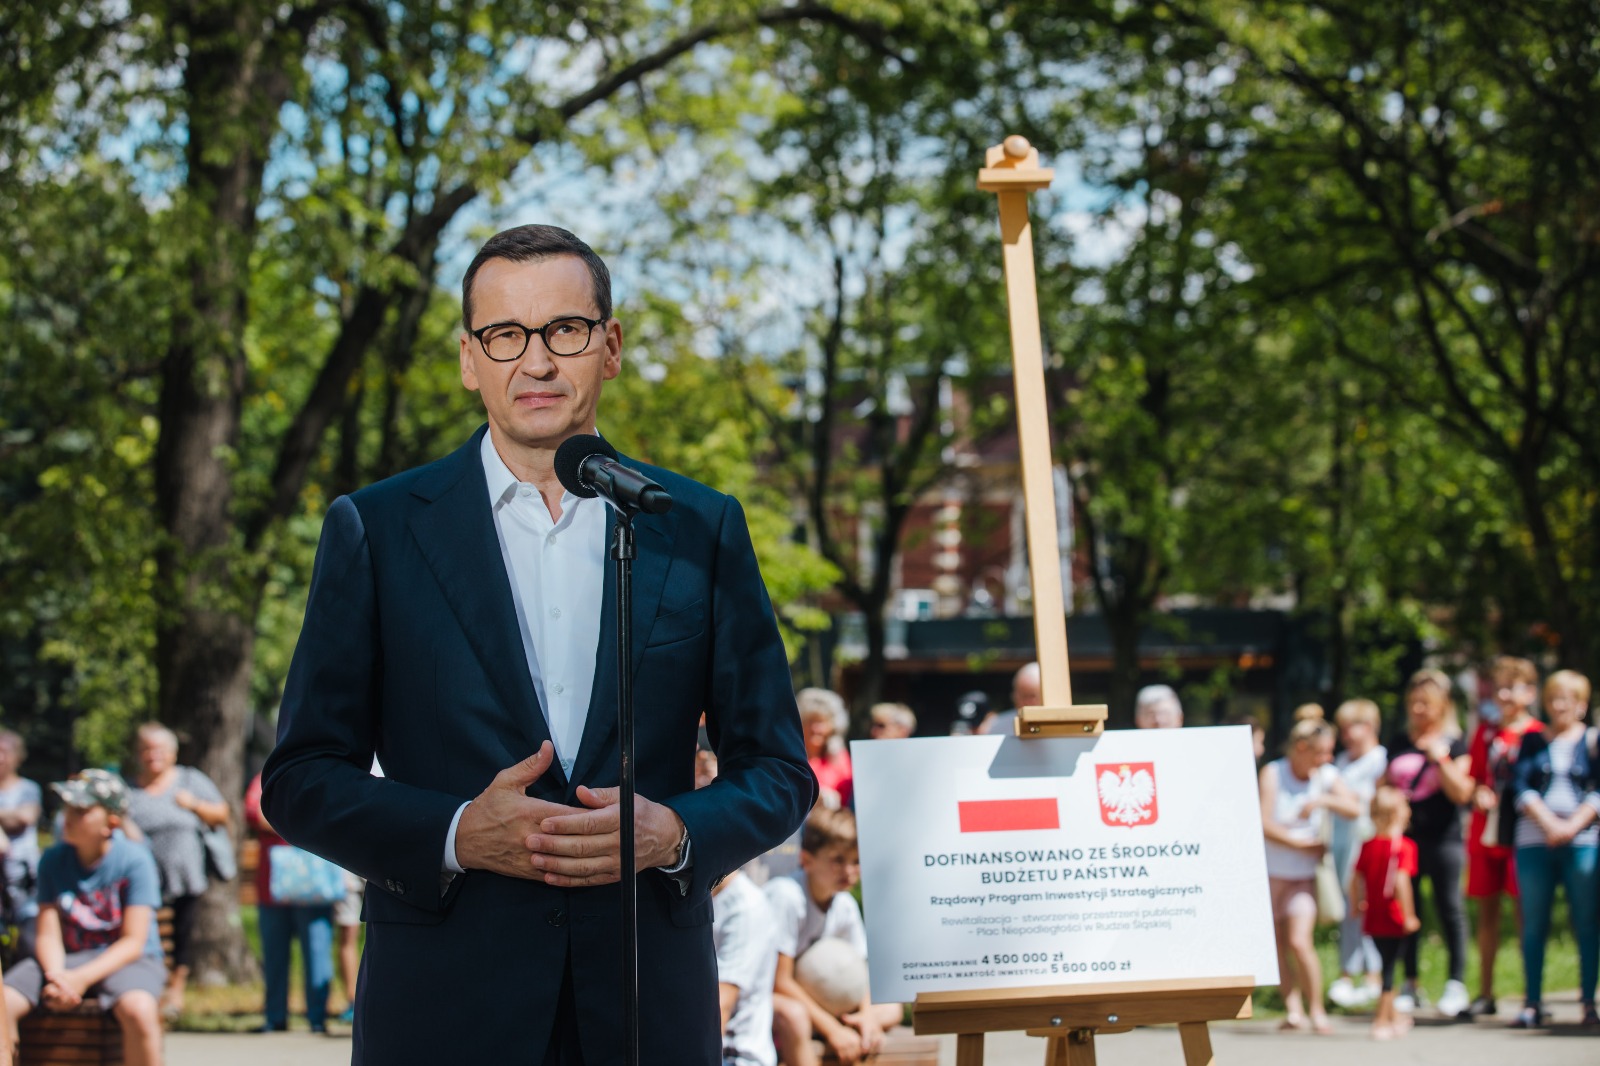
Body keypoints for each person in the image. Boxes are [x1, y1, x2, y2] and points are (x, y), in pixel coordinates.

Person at [260, 224, 815, 1064]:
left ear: (610, 346)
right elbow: (299, 778)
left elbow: (778, 769)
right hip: (444, 1012)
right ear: (469, 359)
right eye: (505, 335)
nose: (538, 361)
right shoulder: (375, 529)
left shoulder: (698, 528)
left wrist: (677, 833)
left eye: (565, 330)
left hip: (645, 1009)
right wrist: (455, 833)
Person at [2, 771, 164, 1066]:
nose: (68, 817)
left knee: (139, 1010)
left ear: (111, 823)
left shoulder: (135, 860)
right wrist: (58, 977)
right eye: (67, 808)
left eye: (82, 810)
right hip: (66, 961)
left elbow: (133, 942)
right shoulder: (53, 859)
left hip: (127, 960)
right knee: (3, 1003)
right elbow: (48, 933)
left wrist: (81, 979)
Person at [767, 808, 899, 1066]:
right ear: (806, 860)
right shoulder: (787, 897)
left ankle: (856, 1028)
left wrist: (867, 1016)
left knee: (891, 1008)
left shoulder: (845, 904)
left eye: (856, 861)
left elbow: (860, 972)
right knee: (794, 1017)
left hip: (823, 1002)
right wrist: (832, 1029)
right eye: (837, 860)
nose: (849, 870)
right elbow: (779, 982)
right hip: (777, 1002)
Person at [1507, 669, 1599, 1029]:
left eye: (1567, 699)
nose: (1559, 706)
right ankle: (1532, 1001)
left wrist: (1571, 826)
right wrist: (1549, 824)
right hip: (1534, 840)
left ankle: (1588, 1001)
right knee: (1533, 923)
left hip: (1583, 841)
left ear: (1581, 704)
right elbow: (1520, 786)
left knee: (1587, 921)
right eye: (1554, 699)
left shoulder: (1592, 741)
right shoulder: (1531, 741)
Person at [1259, 715, 1361, 1034]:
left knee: (1299, 942)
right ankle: (1293, 1009)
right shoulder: (1273, 772)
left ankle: (1316, 1009)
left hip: (1303, 876)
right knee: (1276, 944)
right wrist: (1298, 844)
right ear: (1302, 748)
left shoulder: (1325, 776)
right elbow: (1263, 822)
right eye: (1321, 752)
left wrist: (1324, 800)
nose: (1327, 758)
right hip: (1272, 872)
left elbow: (1354, 809)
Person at [122, 723, 230, 1020]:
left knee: (182, 933)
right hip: (141, 878)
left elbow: (222, 814)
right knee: (147, 932)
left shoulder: (190, 780)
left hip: (184, 874)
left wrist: (193, 804)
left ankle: (176, 990)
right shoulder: (129, 789)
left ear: (173, 753)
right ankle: (150, 985)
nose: (152, 755)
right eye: (146, 749)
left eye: (159, 749)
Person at [1384, 668, 1474, 1018]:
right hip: (1406, 840)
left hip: (1444, 838)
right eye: (1414, 702)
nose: (1418, 709)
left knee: (1450, 907)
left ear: (1442, 705)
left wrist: (1441, 759)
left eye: (1426, 703)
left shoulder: (1455, 743)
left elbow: (1462, 792)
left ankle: (1456, 984)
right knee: (1408, 910)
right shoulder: (1399, 742)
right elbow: (1384, 786)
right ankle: (1410, 983)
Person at [1462, 655, 1543, 1018]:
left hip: (1524, 833)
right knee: (1487, 914)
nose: (1506, 695)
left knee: (1527, 913)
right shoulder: (1485, 733)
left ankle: (1531, 995)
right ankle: (1485, 992)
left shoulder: (1538, 734)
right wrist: (1478, 791)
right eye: (1500, 688)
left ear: (1530, 692)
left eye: (1513, 687)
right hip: (1487, 832)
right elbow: (1475, 777)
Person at [243, 773, 332, 1034]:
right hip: (272, 886)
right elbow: (254, 813)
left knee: (317, 951)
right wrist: (302, 818)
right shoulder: (265, 776)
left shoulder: (323, 771)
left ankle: (318, 1017)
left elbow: (329, 811)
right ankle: (275, 1016)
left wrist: (279, 816)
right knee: (274, 954)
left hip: (313, 883)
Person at [1327, 699, 1388, 1009]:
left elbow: (1371, 804)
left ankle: (1373, 975)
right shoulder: (1341, 760)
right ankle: (1348, 972)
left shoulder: (1380, 760)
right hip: (1339, 841)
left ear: (1368, 726)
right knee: (1348, 908)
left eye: (1350, 727)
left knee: (1363, 906)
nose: (1345, 735)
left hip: (1366, 842)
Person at [1350, 785, 1421, 1041]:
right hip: (1394, 916)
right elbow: (1401, 882)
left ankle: (1394, 1017)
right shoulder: (1404, 847)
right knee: (1389, 968)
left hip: (1373, 915)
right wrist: (1409, 915)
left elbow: (1355, 878)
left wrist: (1356, 904)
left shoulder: (1368, 845)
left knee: (1386, 963)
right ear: (1398, 814)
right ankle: (1381, 1020)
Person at [0, 731, 42, 963]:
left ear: (17, 757)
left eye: (4, 752)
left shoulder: (28, 788)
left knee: (29, 941)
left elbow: (25, 818)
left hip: (25, 880)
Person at [799, 688, 853, 809]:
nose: (815, 729)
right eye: (810, 722)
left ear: (833, 727)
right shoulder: (793, 755)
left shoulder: (839, 757)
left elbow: (846, 797)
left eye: (821, 722)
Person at [976, 663, 1041, 736]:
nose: (1027, 702)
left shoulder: (1052, 726)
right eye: (1023, 696)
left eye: (1032, 696)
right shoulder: (995, 726)